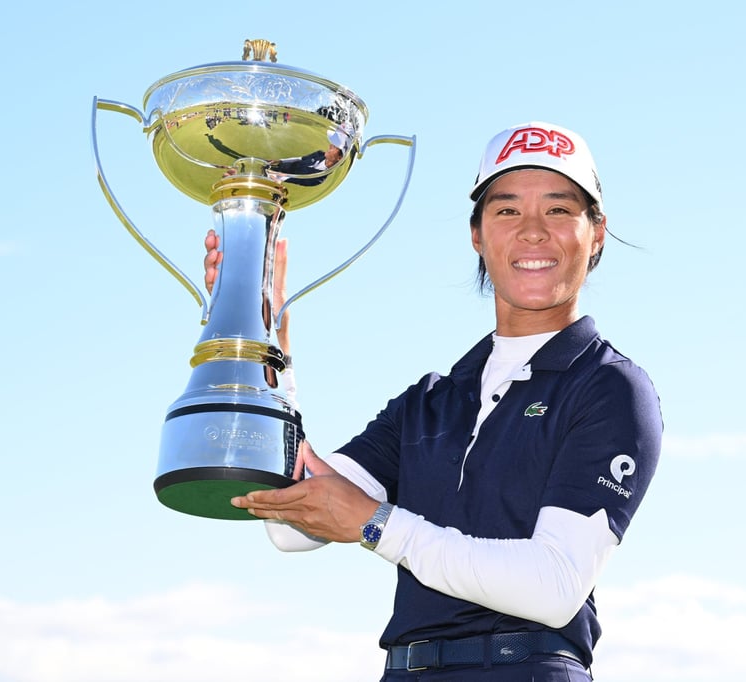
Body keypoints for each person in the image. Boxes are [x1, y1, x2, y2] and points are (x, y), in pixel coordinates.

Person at [205, 122, 663, 680]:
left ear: (597, 232)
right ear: (477, 233)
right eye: (508, 210)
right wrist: (263, 336)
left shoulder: (610, 387)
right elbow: (292, 524)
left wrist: (377, 525)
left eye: (560, 210)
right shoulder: (431, 401)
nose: (534, 232)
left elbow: (555, 586)